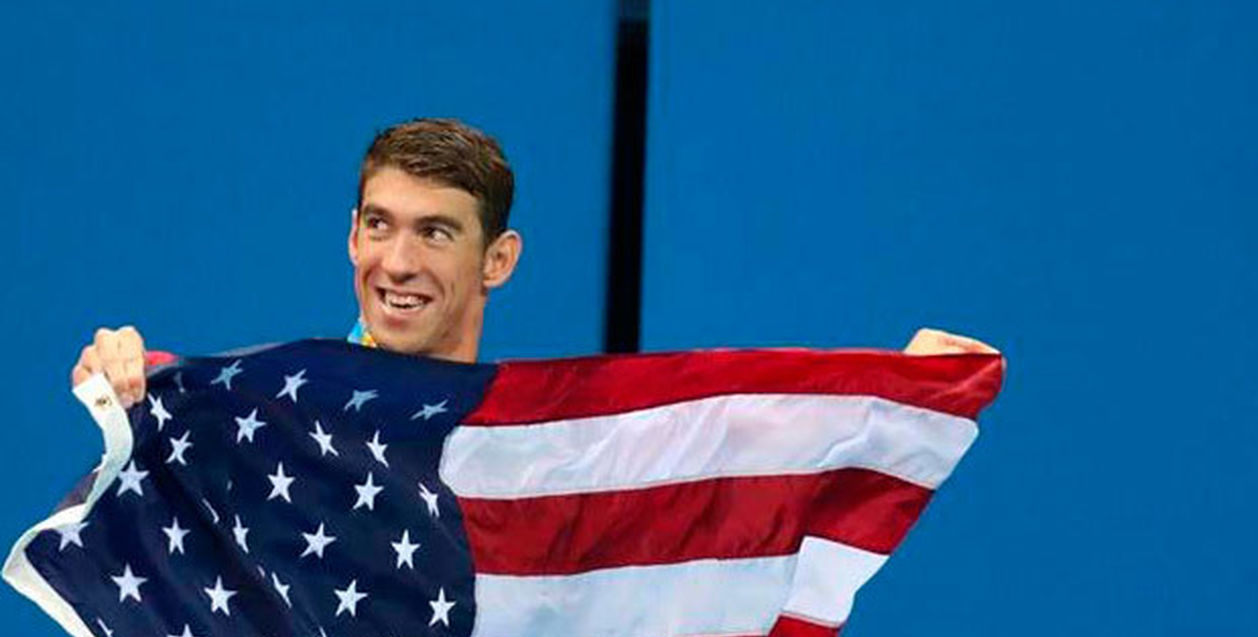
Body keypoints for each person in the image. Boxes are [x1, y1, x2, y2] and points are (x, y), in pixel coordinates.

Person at [69, 118, 997, 406]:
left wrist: (896, 394)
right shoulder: (272, 413)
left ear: (498, 259)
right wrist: (127, 382)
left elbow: (737, 483)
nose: (398, 261)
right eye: (380, 226)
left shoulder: (545, 448)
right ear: (351, 235)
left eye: (436, 233)